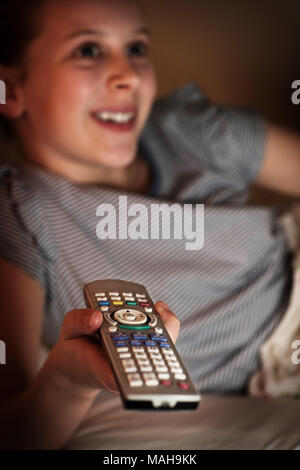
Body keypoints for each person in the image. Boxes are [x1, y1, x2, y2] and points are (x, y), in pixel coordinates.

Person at [0, 0, 299, 450]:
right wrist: (69, 378)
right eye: (88, 51)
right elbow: (14, 431)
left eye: (136, 48)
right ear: (10, 91)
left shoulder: (191, 128)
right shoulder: (20, 210)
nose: (129, 75)